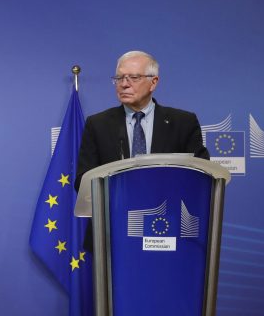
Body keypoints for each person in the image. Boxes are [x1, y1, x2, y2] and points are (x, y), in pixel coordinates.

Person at [75, 50, 209, 250]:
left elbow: (202, 175)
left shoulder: (183, 122)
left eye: (134, 77)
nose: (124, 84)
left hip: (168, 228)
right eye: (119, 78)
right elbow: (83, 179)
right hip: (112, 230)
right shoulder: (98, 124)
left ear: (153, 82)